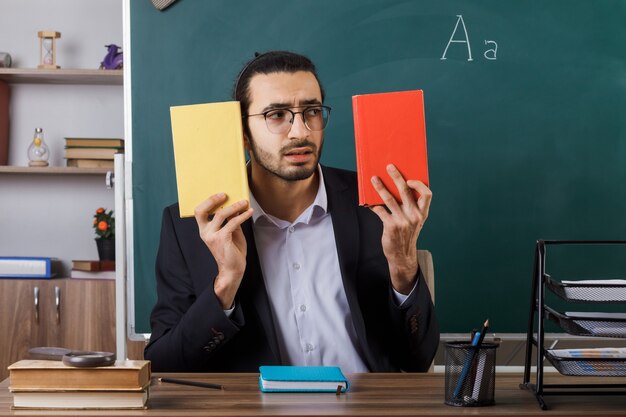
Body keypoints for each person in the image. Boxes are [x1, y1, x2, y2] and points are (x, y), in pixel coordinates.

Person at [145, 51, 439, 372]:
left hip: (364, 404)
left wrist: (403, 266)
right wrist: (225, 285)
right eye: (276, 114)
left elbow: (418, 359)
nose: (300, 132)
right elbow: (164, 364)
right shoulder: (190, 226)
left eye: (311, 111)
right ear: (241, 133)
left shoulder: (378, 206)